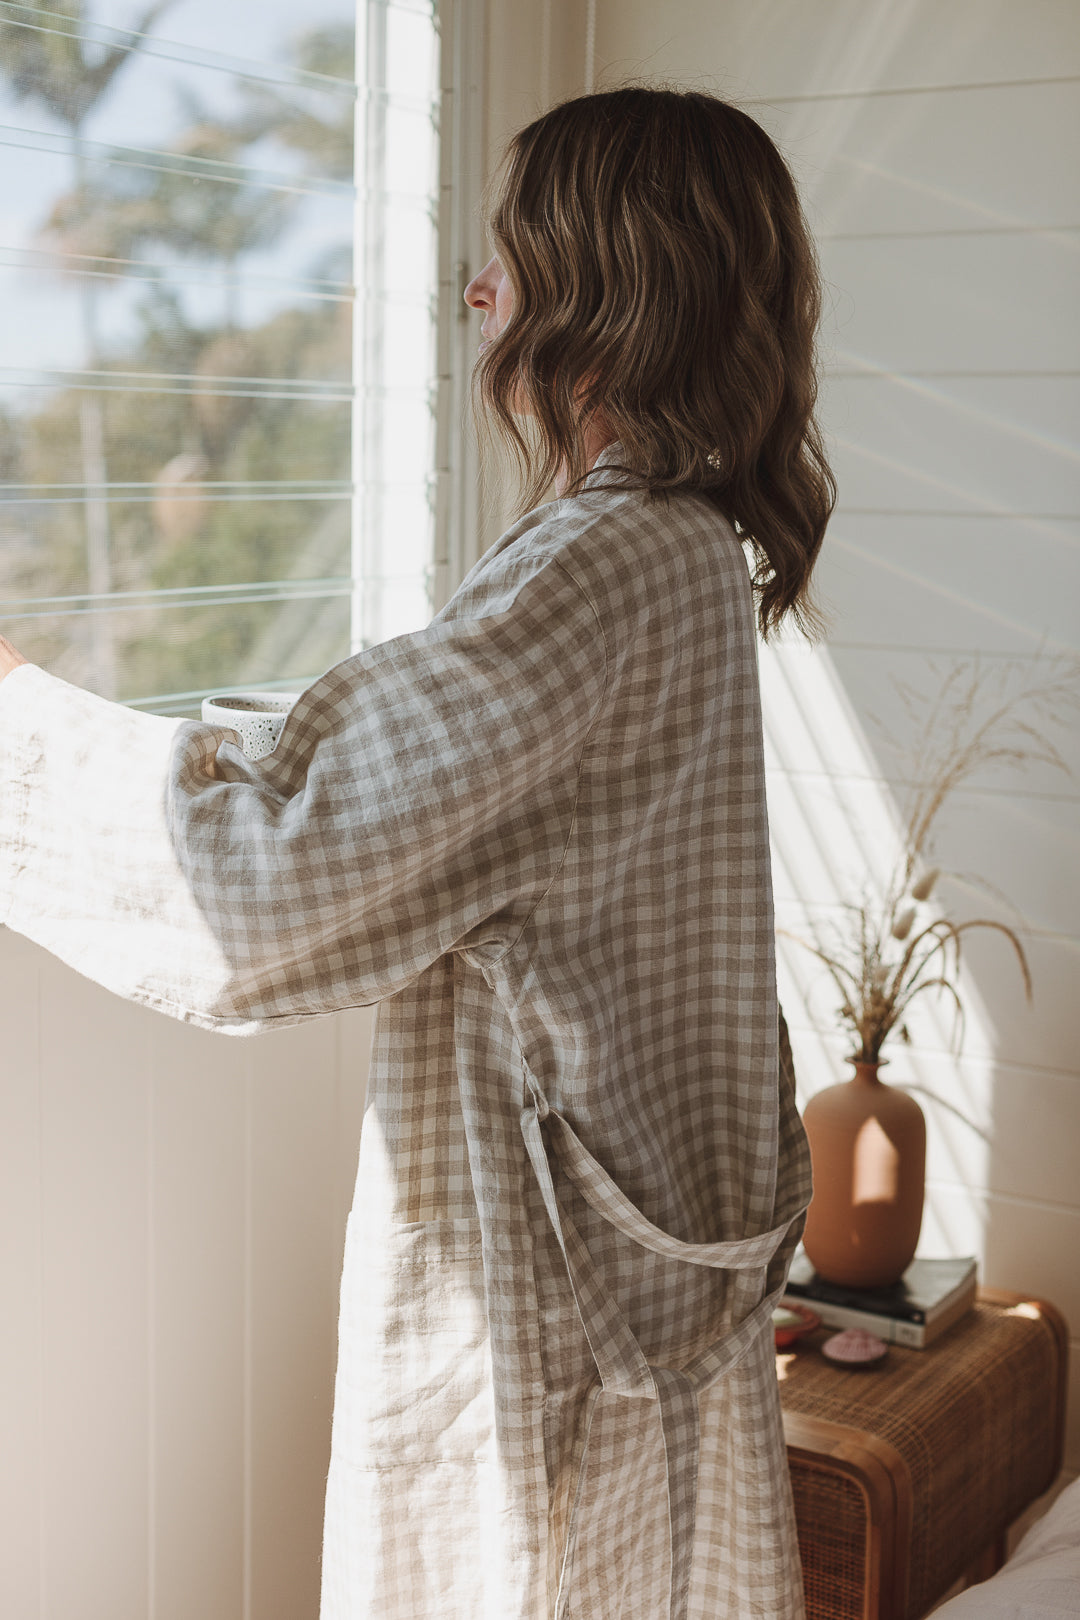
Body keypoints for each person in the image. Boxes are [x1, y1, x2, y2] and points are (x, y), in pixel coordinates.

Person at [0, 87, 834, 1620]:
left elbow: (265, 883)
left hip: (550, 1320)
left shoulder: (603, 571)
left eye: (505, 255)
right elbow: (435, 763)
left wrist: (13, 723)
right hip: (636, 1297)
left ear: (602, 281)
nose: (476, 294)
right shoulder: (686, 550)